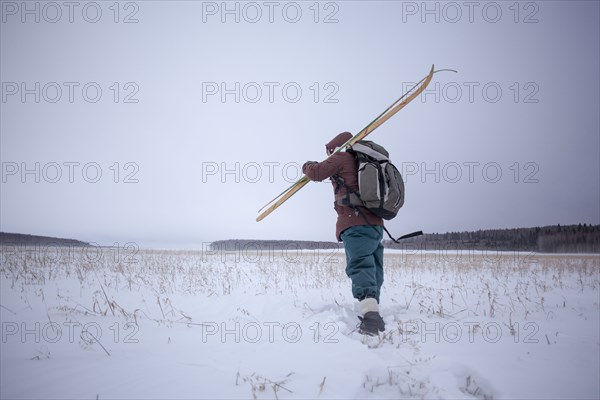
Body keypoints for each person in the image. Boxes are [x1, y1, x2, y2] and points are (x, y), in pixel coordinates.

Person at [302, 132, 386, 336]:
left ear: (335, 148)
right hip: (375, 224)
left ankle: (371, 319)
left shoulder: (341, 157)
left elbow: (316, 173)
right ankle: (372, 309)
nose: (329, 154)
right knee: (373, 267)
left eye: (330, 151)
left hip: (355, 222)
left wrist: (307, 165)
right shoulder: (364, 160)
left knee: (360, 265)